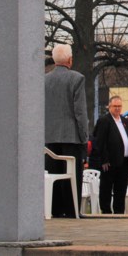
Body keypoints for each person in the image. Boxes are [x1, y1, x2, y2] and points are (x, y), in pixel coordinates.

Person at [44, 44, 89, 218]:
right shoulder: (77, 79)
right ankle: (72, 210)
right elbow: (80, 111)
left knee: (53, 172)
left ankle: (55, 209)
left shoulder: (44, 80)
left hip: (49, 137)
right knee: (73, 174)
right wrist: (84, 135)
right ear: (70, 60)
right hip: (71, 136)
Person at [92, 95, 128, 214]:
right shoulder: (104, 121)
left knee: (121, 188)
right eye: (115, 106)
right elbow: (100, 142)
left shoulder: (125, 121)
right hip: (110, 162)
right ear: (109, 106)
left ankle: (119, 212)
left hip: (124, 161)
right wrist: (104, 159)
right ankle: (106, 211)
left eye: (119, 106)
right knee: (106, 187)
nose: (117, 109)